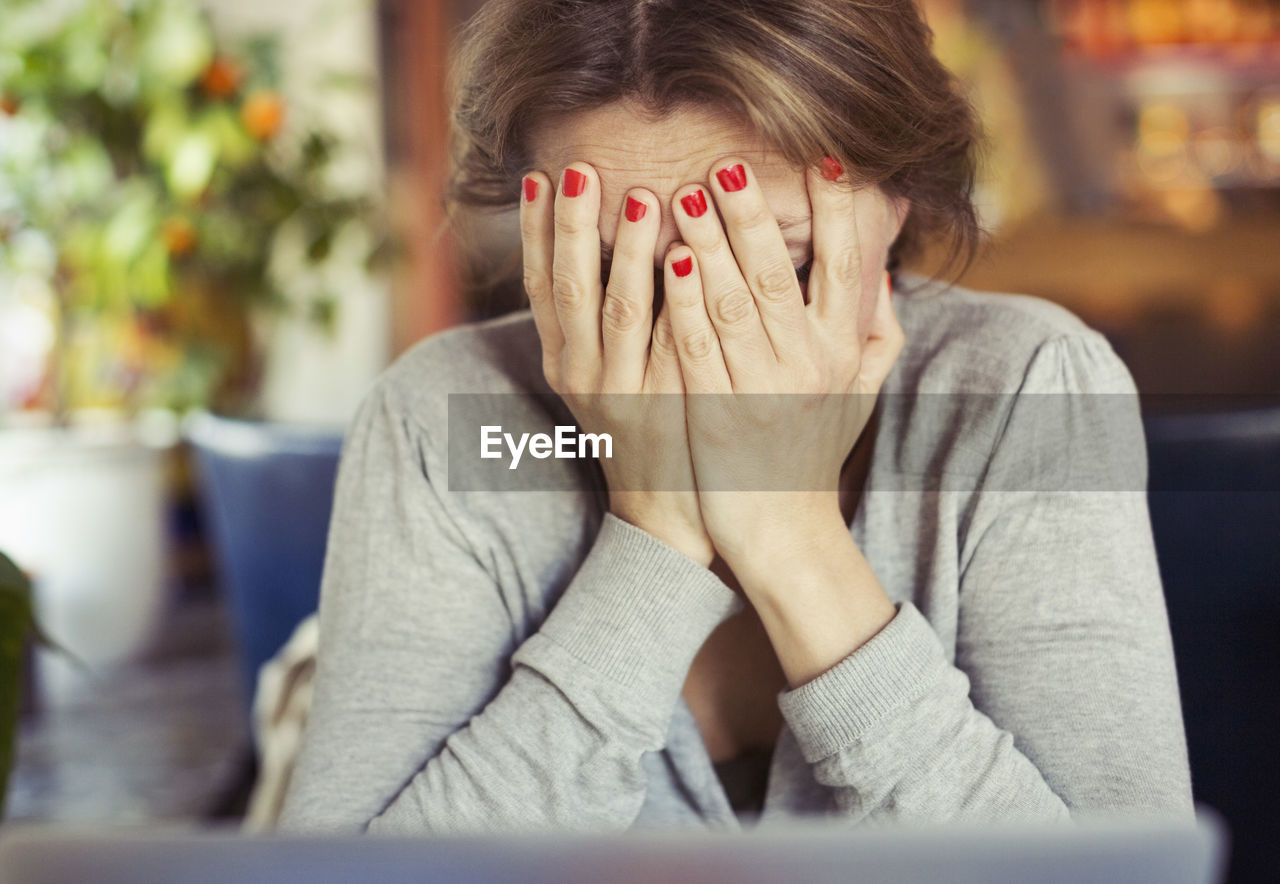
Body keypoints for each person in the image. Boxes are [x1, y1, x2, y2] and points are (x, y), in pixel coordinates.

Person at [279, 0, 1192, 833]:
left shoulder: (1027, 394)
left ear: (897, 200)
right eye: (616, 270)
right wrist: (658, 536)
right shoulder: (455, 423)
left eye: (774, 269)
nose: (694, 349)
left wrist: (789, 530)